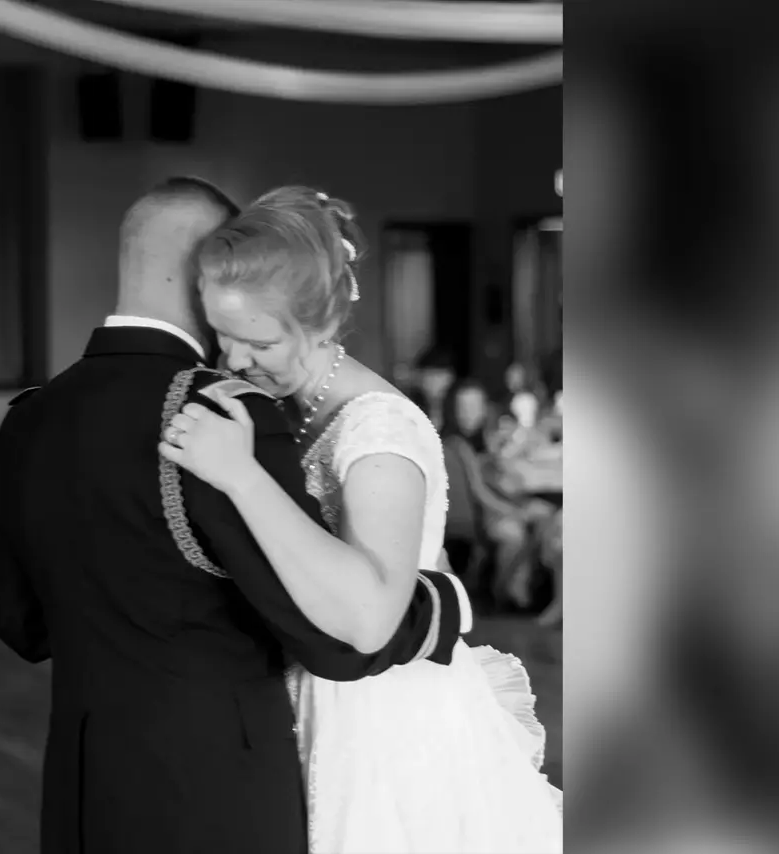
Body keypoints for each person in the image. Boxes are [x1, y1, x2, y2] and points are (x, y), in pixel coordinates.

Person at [0, 177, 470, 854]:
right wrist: (442, 599)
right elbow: (332, 640)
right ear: (202, 272)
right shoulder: (215, 411)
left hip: (80, 780)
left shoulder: (28, 416)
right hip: (215, 790)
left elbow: (22, 625)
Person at [161, 186, 562, 853]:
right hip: (301, 694)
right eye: (221, 336)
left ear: (320, 326)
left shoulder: (380, 434)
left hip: (379, 724)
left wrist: (239, 475)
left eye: (255, 339)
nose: (231, 360)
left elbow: (373, 616)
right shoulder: (284, 400)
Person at [442, 378, 556, 609]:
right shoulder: (457, 444)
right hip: (484, 513)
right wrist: (514, 511)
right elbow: (479, 492)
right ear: (452, 409)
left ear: (484, 408)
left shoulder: (487, 438)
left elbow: (503, 477)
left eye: (474, 407)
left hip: (504, 503)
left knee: (547, 515)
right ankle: (504, 593)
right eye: (462, 407)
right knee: (514, 533)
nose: (468, 414)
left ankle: (532, 589)